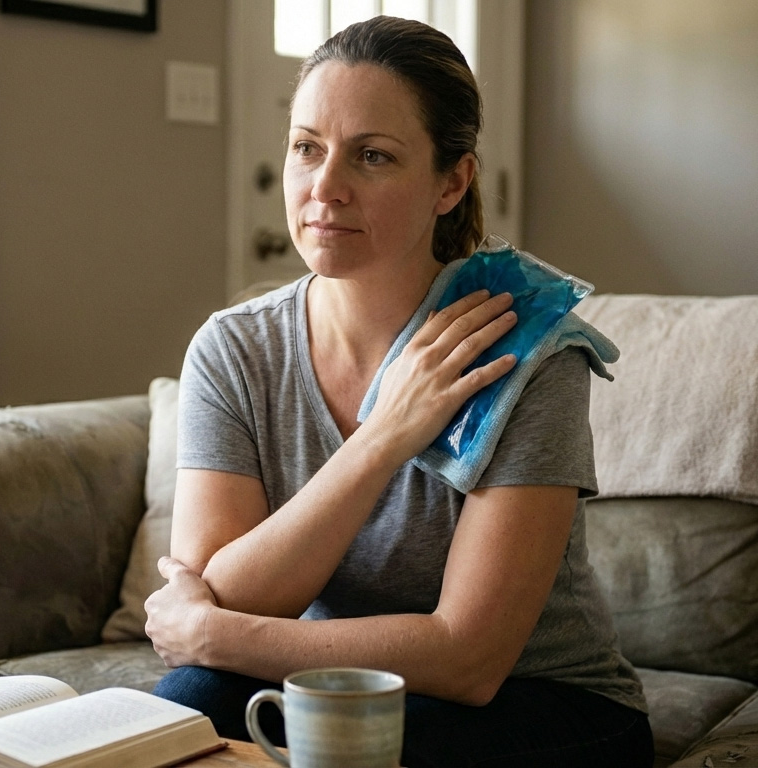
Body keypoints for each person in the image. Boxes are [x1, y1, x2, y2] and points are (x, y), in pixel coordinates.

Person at [145, 16, 654, 768]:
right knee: (185, 708)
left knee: (362, 747)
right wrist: (384, 439)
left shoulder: (524, 352)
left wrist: (221, 635)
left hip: (544, 701)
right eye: (306, 148)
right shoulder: (234, 348)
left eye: (372, 156)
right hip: (333, 679)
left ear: (452, 182)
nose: (325, 188)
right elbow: (223, 589)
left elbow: (468, 659)